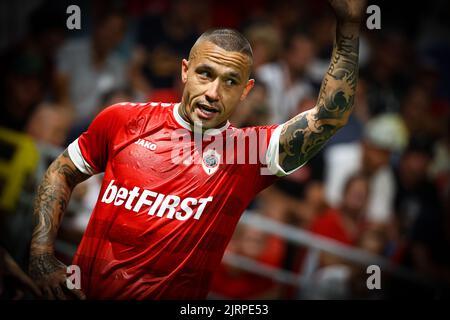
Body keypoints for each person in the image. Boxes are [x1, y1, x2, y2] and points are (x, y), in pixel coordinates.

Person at [29, 0, 367, 300]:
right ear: (185, 71)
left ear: (246, 90)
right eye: (205, 74)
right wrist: (42, 254)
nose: (213, 92)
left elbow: (329, 117)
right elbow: (62, 170)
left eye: (230, 81)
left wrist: (349, 27)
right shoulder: (123, 120)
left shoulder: (248, 152)